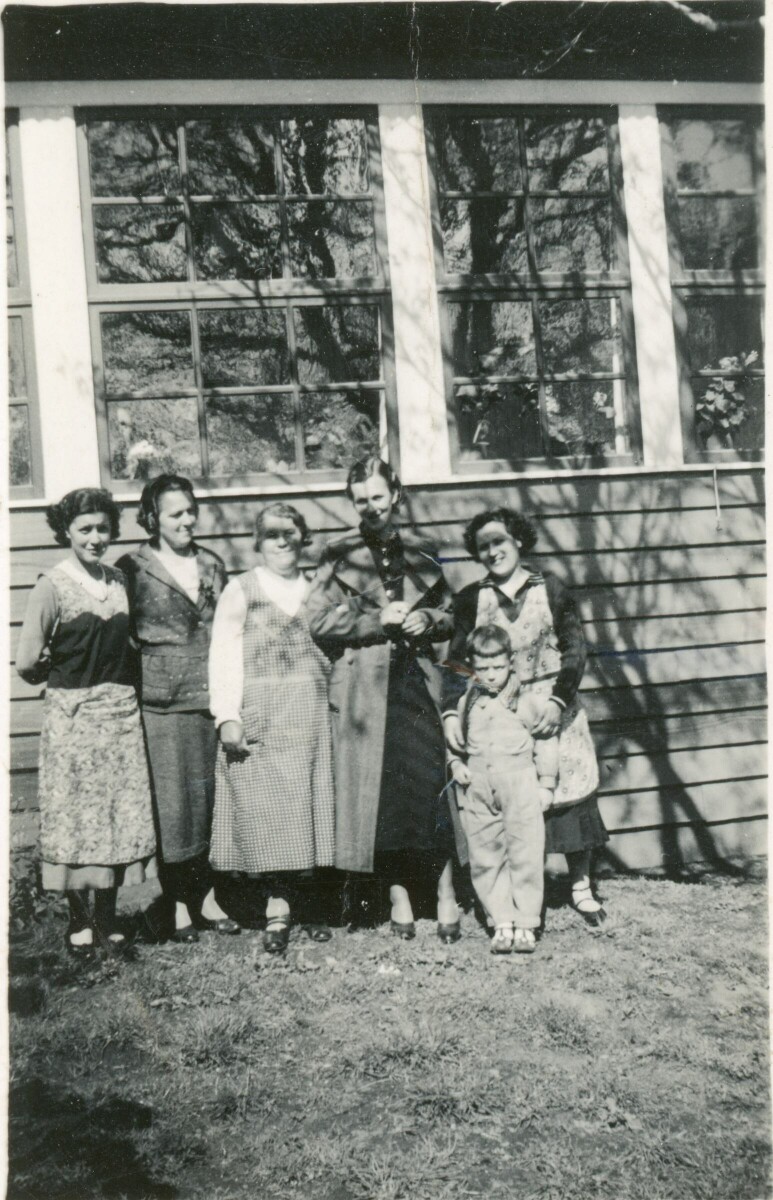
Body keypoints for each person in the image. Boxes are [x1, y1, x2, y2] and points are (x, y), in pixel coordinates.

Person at [306, 457, 461, 943]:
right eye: (360, 500)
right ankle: (398, 895)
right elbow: (318, 620)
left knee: (430, 784)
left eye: (377, 497)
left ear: (395, 495)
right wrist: (378, 621)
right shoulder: (338, 553)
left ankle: (446, 892)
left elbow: (452, 615)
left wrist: (429, 621)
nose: (370, 508)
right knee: (386, 797)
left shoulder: (423, 550)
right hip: (367, 693)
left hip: (418, 683)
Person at [443, 507, 608, 927]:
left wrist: (557, 702)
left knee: (569, 794)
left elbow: (575, 650)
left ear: (518, 540)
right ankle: (511, 896)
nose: (493, 551)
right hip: (499, 714)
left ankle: (581, 886)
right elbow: (457, 665)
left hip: (553, 704)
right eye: (484, 547)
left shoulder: (551, 589)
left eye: (499, 541)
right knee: (511, 805)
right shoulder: (470, 599)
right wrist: (451, 714)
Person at [15, 488, 156, 956]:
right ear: (67, 533)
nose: (96, 538)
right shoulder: (51, 586)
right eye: (85, 529)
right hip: (73, 719)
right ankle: (78, 919)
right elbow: (27, 661)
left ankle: (109, 916)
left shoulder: (118, 581)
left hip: (118, 714)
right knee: (78, 817)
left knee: (115, 815)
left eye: (102, 528)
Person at [208, 503, 336, 955]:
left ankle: (314, 904)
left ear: (302, 538)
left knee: (311, 808)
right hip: (263, 710)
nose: (282, 542)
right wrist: (227, 715)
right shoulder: (241, 590)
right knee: (270, 813)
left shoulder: (318, 589)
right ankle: (277, 908)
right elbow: (222, 653)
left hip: (313, 713)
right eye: (271, 535)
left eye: (290, 533)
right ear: (258, 543)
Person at [117, 474, 239, 943]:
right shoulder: (133, 566)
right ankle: (180, 904)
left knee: (209, 801)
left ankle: (207, 897)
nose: (187, 519)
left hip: (210, 696)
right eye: (175, 513)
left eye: (191, 510)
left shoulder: (211, 563)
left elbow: (226, 632)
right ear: (153, 518)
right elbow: (123, 636)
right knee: (174, 808)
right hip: (162, 703)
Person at [448, 624, 558, 954]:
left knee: (525, 851)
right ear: (472, 665)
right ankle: (501, 920)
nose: (492, 676)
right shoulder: (467, 700)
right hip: (479, 787)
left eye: (498, 667)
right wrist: (456, 765)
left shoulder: (526, 700)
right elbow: (454, 742)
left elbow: (546, 738)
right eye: (483, 669)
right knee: (485, 855)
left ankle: (526, 922)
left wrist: (547, 784)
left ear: (511, 661)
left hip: (520, 782)